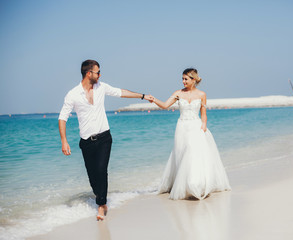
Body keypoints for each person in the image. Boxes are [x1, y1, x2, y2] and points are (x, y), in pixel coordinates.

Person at [58, 59, 153, 220]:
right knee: (93, 176)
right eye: (98, 72)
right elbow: (62, 117)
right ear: (89, 73)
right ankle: (100, 195)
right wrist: (64, 141)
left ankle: (101, 205)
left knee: (102, 170)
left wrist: (143, 96)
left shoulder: (101, 87)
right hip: (86, 142)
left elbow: (121, 92)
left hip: (104, 137)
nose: (100, 75)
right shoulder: (73, 94)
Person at [152, 68, 231, 200]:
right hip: (182, 127)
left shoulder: (202, 95)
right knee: (182, 154)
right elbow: (165, 105)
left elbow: (204, 114)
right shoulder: (178, 93)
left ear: (193, 80)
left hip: (196, 126)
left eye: (186, 79)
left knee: (193, 154)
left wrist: (204, 125)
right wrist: (154, 99)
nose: (183, 81)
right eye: (182, 79)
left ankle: (195, 184)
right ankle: (182, 184)